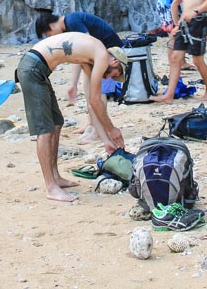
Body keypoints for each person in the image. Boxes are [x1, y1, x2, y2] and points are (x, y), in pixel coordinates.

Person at [17, 32, 127, 202]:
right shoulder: (102, 55)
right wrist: (111, 129)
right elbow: (96, 101)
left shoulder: (90, 57)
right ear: (115, 62)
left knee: (56, 123)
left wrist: (106, 140)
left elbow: (92, 103)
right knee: (45, 130)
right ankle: (51, 187)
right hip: (33, 67)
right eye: (115, 74)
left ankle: (55, 177)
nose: (109, 77)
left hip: (39, 69)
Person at [36, 11, 123, 145]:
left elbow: (87, 44)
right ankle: (92, 124)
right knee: (89, 91)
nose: (50, 37)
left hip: (109, 55)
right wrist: (73, 84)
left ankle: (98, 131)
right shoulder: (69, 25)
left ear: (52, 26)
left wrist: (74, 83)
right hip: (92, 58)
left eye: (48, 34)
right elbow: (79, 56)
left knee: (99, 94)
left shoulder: (72, 21)